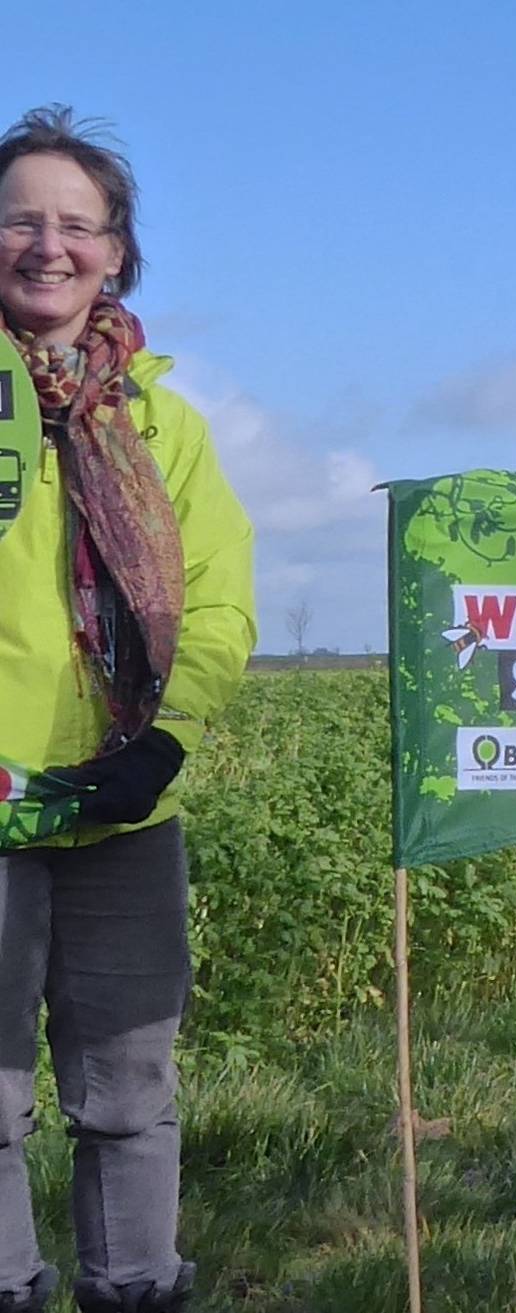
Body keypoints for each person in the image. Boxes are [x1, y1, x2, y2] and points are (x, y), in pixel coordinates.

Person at [0, 107, 257, 1313]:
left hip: (121, 814)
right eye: (19, 219)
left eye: (76, 224)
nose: (47, 246)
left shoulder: (166, 426)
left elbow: (217, 604)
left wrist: (164, 742)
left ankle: (137, 1288)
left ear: (116, 251)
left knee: (128, 1088)